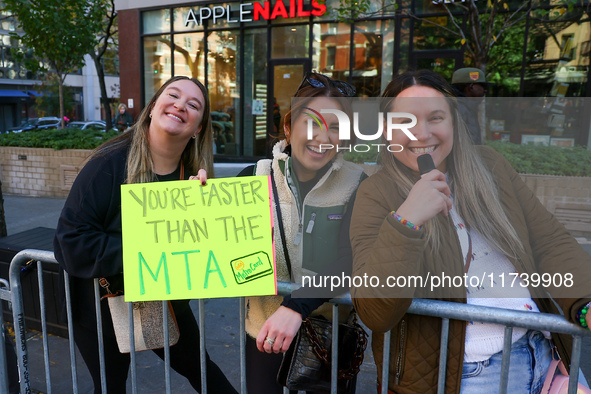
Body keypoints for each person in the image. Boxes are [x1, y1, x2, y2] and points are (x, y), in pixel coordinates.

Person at [350, 70, 591, 393]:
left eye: (435, 117)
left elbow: (549, 241)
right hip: (469, 375)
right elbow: (375, 311)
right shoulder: (376, 193)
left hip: (544, 355)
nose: (421, 134)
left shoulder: (490, 165)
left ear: (453, 122)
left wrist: (585, 302)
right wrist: (407, 220)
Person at [53, 76, 237, 394]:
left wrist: (203, 211)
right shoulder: (108, 165)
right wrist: (144, 251)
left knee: (206, 374)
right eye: (174, 95)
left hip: (159, 300)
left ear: (198, 129)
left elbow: (195, 253)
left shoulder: (194, 179)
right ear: (152, 108)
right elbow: (70, 242)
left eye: (193, 105)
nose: (181, 105)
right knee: (111, 386)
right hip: (101, 303)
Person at [240, 72, 365, 393]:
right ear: (288, 127)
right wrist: (197, 198)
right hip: (264, 332)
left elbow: (353, 258)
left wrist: (296, 307)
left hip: (331, 338)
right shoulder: (253, 177)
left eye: (335, 126)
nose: (322, 136)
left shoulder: (358, 183)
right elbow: (218, 246)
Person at [450, 67, 488, 145]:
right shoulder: (459, 108)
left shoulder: (465, 106)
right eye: (482, 86)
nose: (485, 90)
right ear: (471, 87)